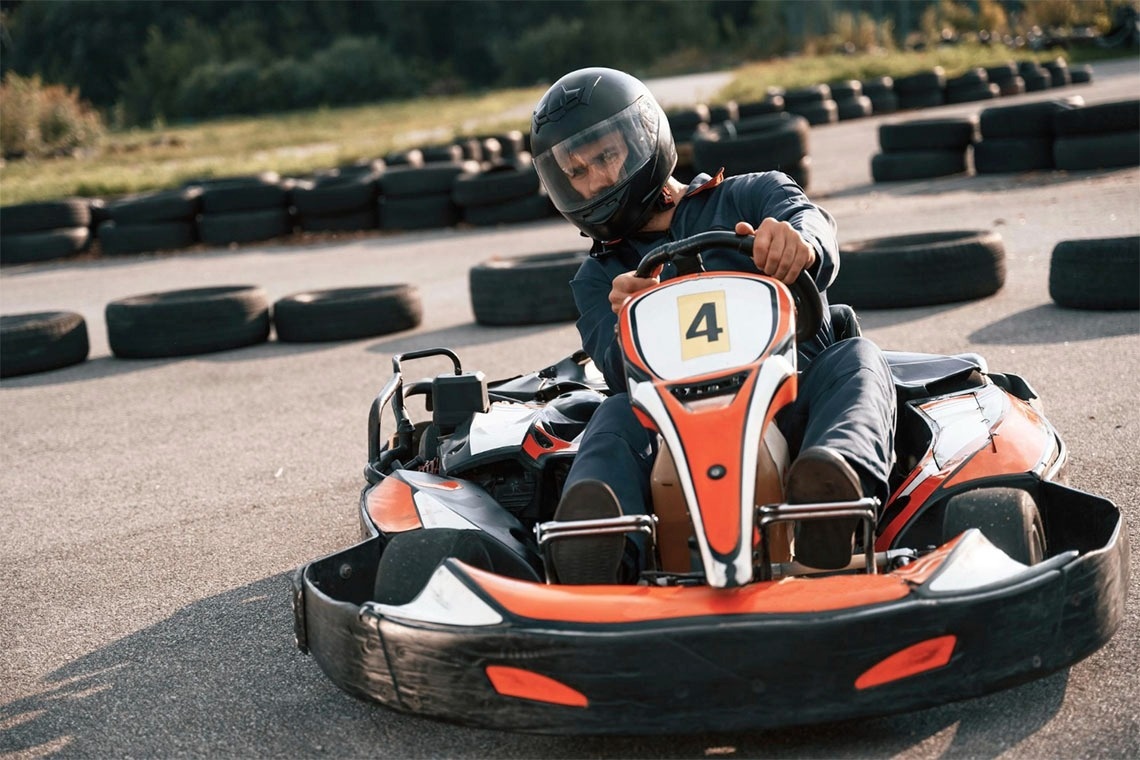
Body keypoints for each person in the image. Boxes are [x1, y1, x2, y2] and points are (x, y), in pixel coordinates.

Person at [530, 67, 898, 583]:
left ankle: (832, 498)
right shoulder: (599, 279)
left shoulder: (751, 195)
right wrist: (623, 321)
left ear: (644, 138)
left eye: (607, 155)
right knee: (612, 414)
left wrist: (799, 244)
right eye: (577, 172)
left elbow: (811, 223)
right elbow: (616, 372)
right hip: (671, 433)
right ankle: (600, 543)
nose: (598, 181)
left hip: (788, 401)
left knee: (856, 357)